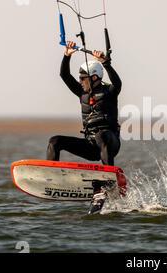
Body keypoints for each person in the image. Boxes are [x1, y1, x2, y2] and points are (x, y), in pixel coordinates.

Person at [47, 41, 122, 214]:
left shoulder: (109, 92)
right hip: (90, 145)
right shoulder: (82, 93)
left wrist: (105, 63)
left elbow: (117, 84)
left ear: (94, 77)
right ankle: (52, 177)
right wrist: (67, 55)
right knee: (55, 141)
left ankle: (109, 179)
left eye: (83, 78)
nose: (80, 81)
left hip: (109, 142)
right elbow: (64, 75)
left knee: (101, 135)